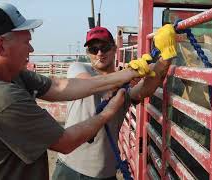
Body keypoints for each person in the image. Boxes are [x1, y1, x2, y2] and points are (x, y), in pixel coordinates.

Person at [0, 3, 154, 180]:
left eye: (104, 47)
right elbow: (64, 142)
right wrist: (109, 111)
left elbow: (58, 87)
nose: (31, 48)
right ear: (0, 46)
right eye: (26, 42)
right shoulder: (1, 97)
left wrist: (128, 73)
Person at [53, 25, 177, 179]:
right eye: (93, 49)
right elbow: (91, 84)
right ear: (88, 53)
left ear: (114, 48)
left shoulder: (124, 82)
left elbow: (145, 89)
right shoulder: (78, 68)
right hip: (71, 169)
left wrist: (166, 56)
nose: (99, 53)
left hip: (106, 173)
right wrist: (128, 74)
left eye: (104, 47)